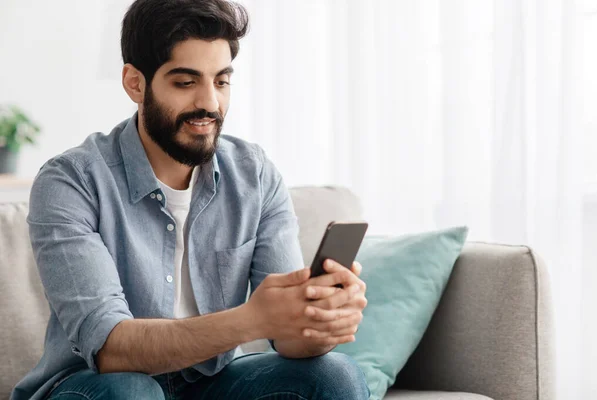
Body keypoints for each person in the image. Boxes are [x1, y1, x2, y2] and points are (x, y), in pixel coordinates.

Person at [10, 0, 369, 399]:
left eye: (221, 81)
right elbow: (111, 348)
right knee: (129, 391)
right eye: (186, 82)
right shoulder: (70, 181)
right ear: (135, 83)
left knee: (332, 375)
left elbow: (290, 342)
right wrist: (252, 319)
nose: (210, 104)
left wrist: (319, 321)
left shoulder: (254, 174)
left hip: (209, 383)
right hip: (96, 386)